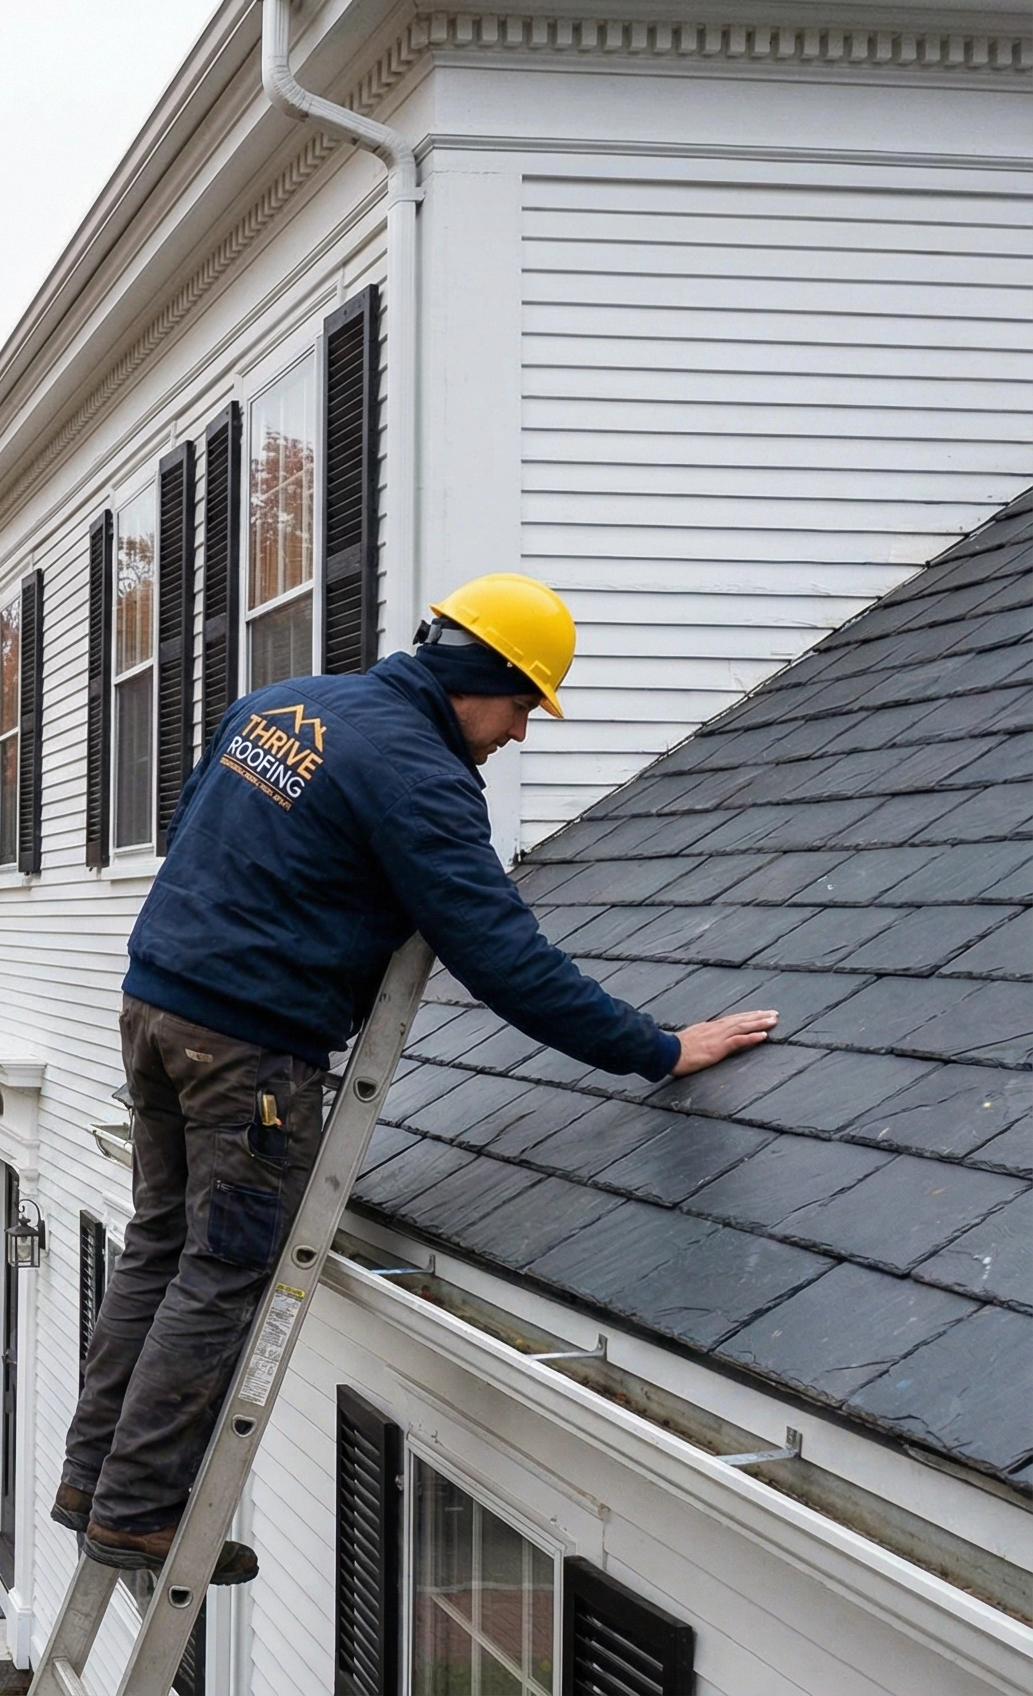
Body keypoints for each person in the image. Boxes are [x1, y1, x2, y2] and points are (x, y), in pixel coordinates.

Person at [60, 573, 777, 1578]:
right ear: (482, 677)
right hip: (247, 1051)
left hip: (155, 1006)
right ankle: (136, 1511)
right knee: (223, 1266)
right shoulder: (415, 772)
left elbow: (197, 837)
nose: (520, 733)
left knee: (159, 1243)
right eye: (523, 706)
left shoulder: (278, 706)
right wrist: (658, 1047)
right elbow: (502, 957)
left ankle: (91, 1481)